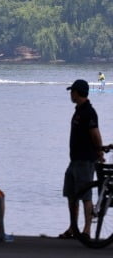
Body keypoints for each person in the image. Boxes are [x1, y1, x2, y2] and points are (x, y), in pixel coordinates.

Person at [59, 79, 104, 239]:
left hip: (85, 160)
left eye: (72, 91)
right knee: (71, 194)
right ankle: (73, 227)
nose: (71, 94)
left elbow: (95, 134)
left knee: (85, 196)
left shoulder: (88, 112)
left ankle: (86, 230)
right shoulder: (78, 110)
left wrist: (99, 152)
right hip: (74, 160)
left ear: (77, 92)